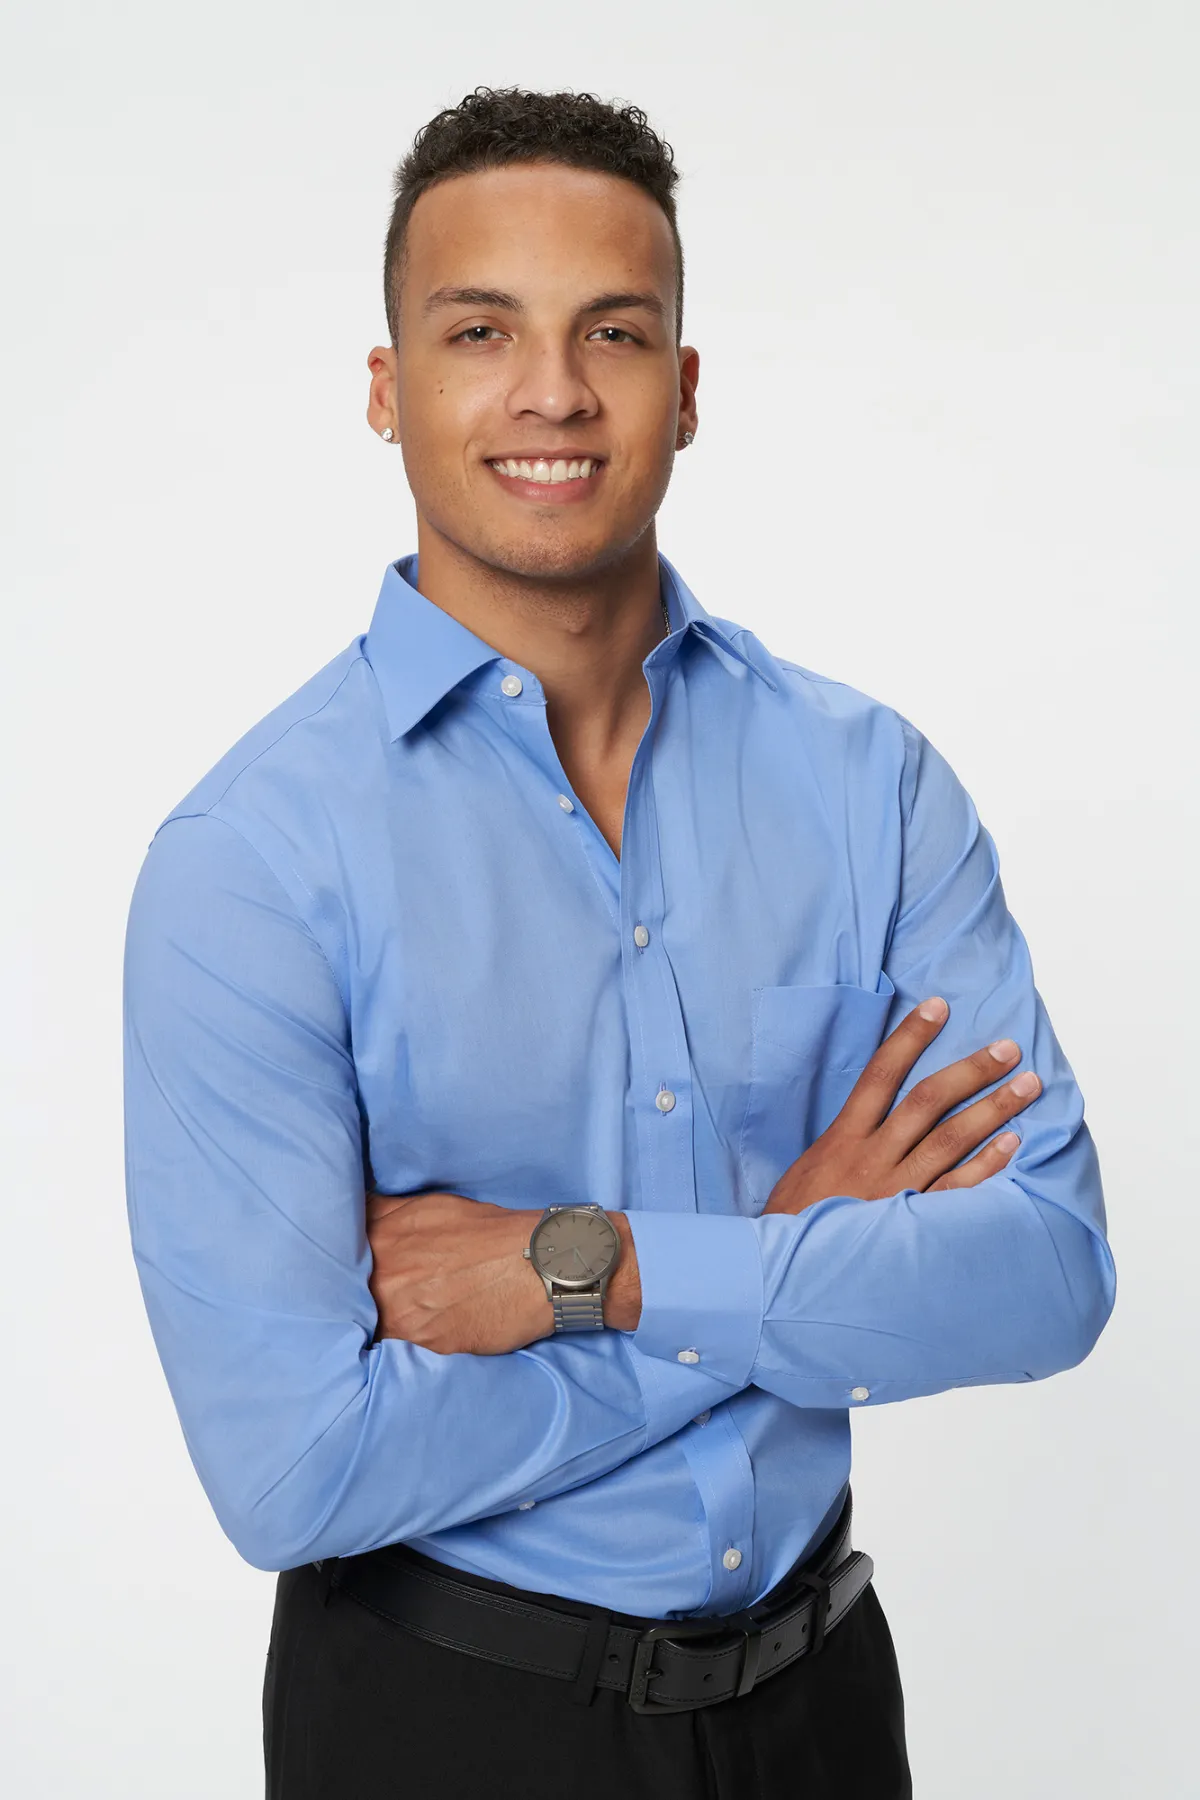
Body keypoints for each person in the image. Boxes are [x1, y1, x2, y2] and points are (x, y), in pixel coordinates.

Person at [121, 85, 1117, 1800]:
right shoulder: (253, 867)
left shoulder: (870, 787)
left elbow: (1043, 1271)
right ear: (388, 388)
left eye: (615, 331)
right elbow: (295, 1471)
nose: (554, 392)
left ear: (688, 388)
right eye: (481, 331)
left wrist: (591, 1269)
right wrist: (783, 1256)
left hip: (823, 1709)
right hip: (446, 1725)